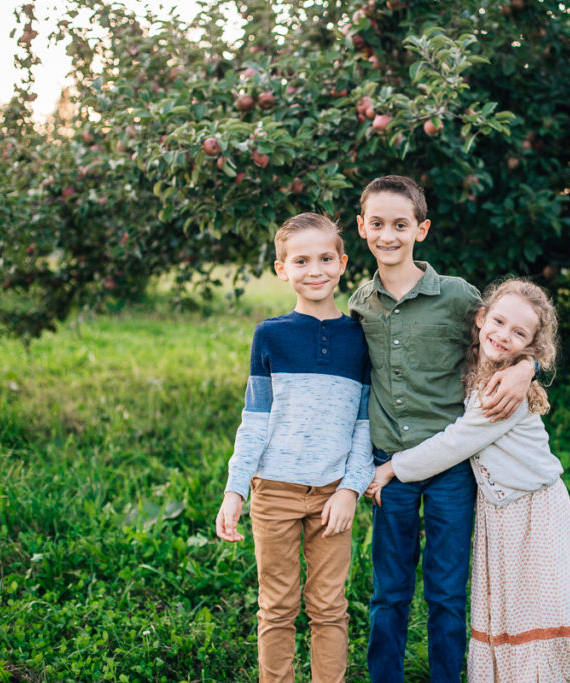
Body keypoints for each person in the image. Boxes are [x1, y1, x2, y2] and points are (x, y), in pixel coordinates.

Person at [366, 278, 570, 682]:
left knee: (557, 617)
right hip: (499, 513)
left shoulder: (505, 390)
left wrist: (391, 467)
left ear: (531, 347)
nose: (504, 335)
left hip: (533, 511)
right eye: (499, 322)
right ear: (481, 318)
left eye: (519, 333)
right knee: (508, 613)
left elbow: (453, 443)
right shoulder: (484, 367)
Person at [348, 175, 535, 682]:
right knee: (389, 589)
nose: (389, 235)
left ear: (421, 230)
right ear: (363, 228)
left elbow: (509, 337)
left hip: (453, 468)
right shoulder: (360, 305)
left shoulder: (456, 298)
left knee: (448, 589)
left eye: (401, 225)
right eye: (379, 224)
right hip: (391, 465)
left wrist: (527, 368)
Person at [215, 212, 374, 683]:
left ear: (343, 263)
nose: (315, 270)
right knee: (277, 605)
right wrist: (235, 488)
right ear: (282, 269)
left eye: (326, 258)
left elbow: (365, 424)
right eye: (301, 260)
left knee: (329, 606)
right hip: (274, 491)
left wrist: (350, 488)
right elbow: (255, 417)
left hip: (331, 494)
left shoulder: (359, 338)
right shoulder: (271, 335)